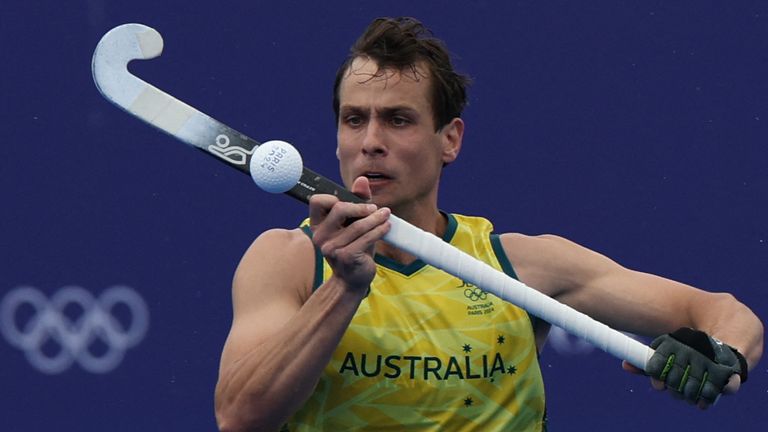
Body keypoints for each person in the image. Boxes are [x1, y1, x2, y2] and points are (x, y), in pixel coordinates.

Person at [214, 17, 763, 431]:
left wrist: (722, 354)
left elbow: (723, 313)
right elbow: (240, 417)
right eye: (354, 119)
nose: (370, 141)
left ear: (449, 139)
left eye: (398, 119)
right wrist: (344, 289)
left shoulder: (523, 265)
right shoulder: (289, 259)